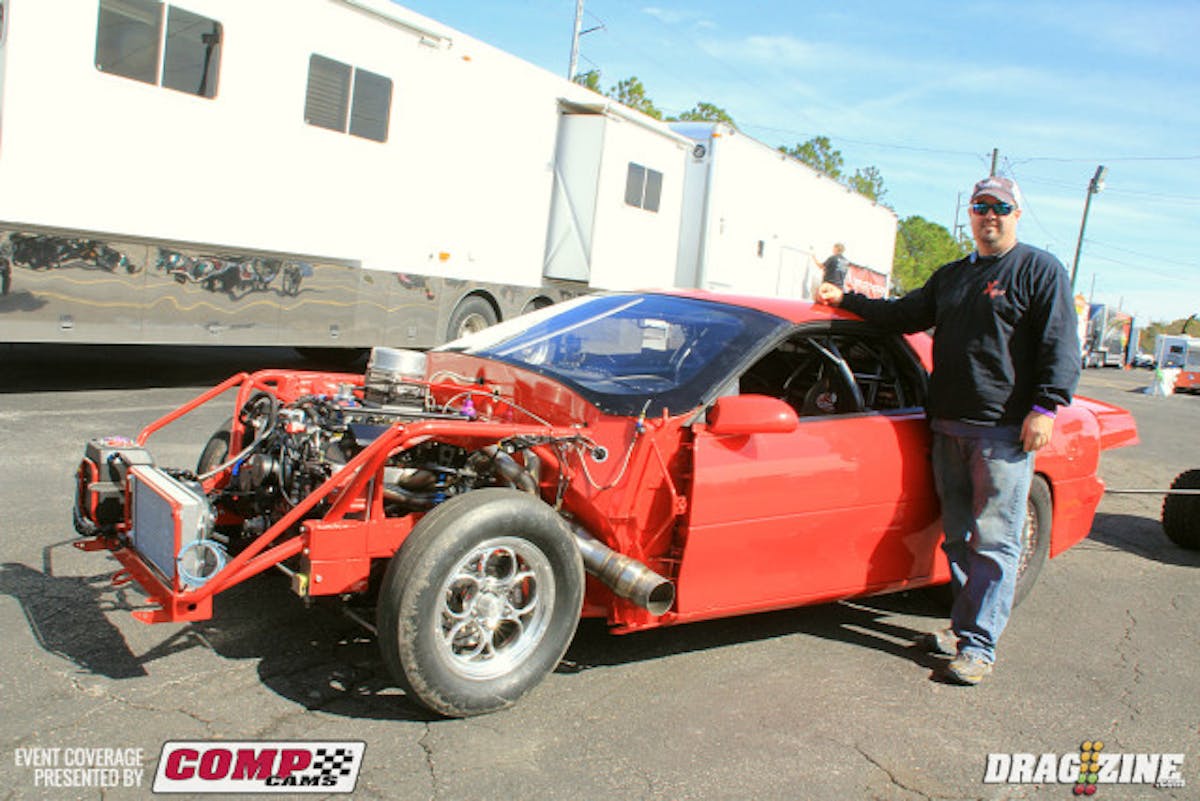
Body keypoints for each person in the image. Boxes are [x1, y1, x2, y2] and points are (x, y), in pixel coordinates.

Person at [815, 176, 1080, 685]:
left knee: (995, 541)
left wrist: (1046, 407)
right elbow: (901, 314)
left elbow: (1060, 343)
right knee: (958, 538)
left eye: (1000, 206)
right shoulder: (953, 276)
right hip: (947, 426)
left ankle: (979, 647)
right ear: (971, 215)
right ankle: (965, 629)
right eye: (980, 206)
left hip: (1003, 432)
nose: (989, 214)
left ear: (1016, 214)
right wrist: (844, 298)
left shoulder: (1039, 269)